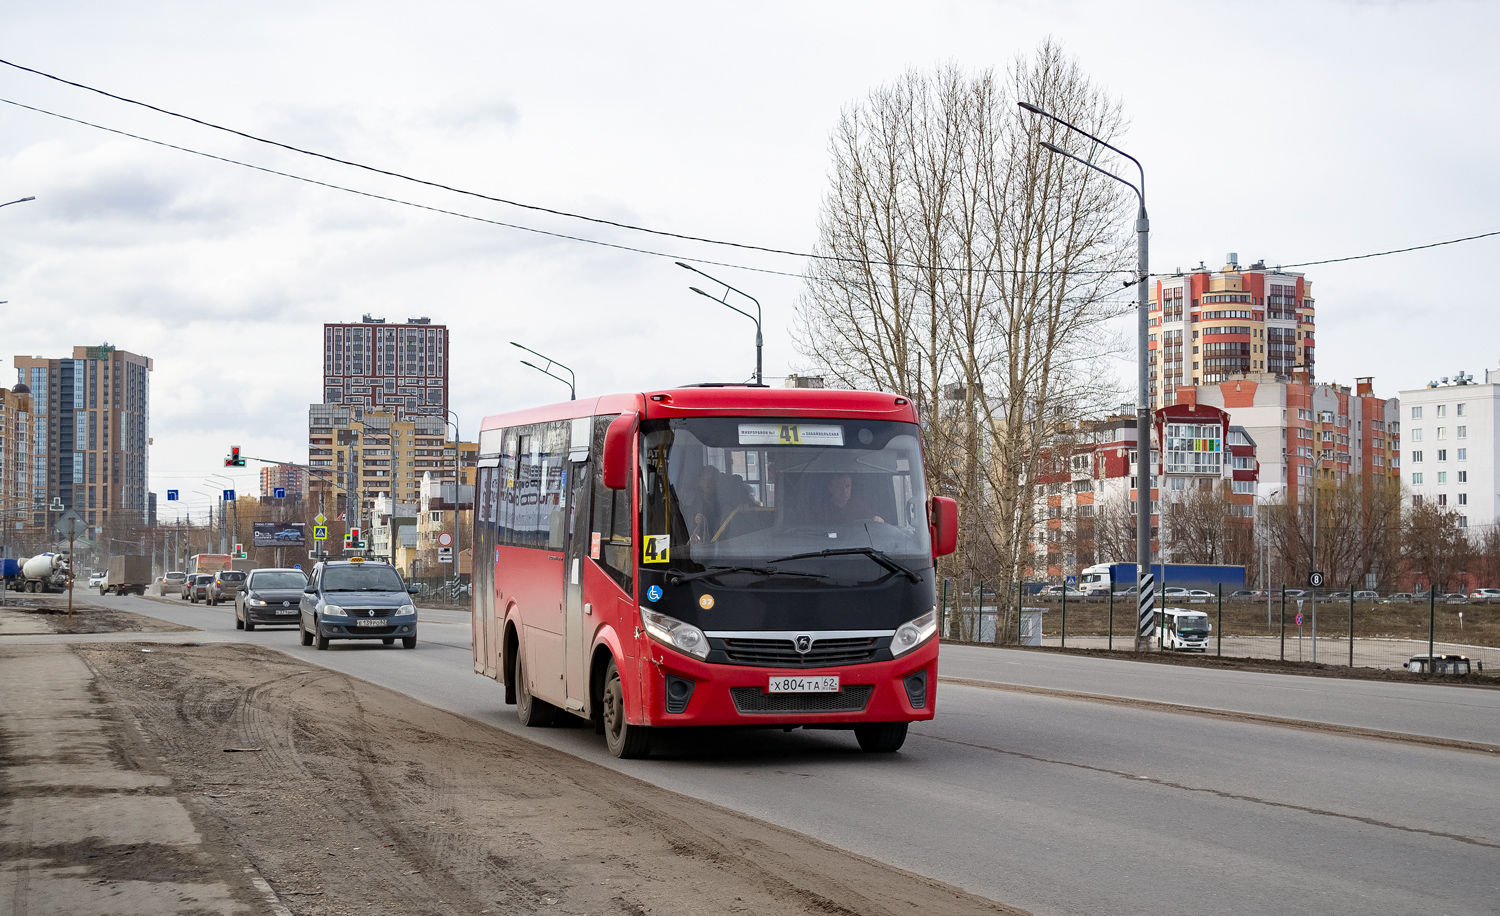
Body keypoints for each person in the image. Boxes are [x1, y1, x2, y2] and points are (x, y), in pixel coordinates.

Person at [812, 473, 883, 524]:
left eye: (847, 486)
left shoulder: (860, 507)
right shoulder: (821, 510)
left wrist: (878, 520)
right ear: (830, 488)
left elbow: (873, 524)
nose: (845, 491)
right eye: (840, 487)